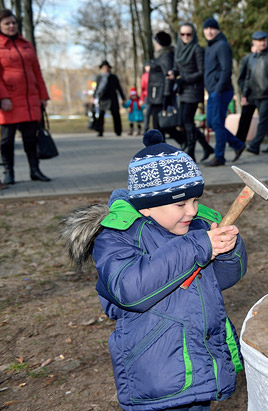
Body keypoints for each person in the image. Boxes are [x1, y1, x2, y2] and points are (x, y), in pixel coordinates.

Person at [63, 129, 246, 411]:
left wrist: (227, 251)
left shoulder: (195, 227)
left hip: (199, 361)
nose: (193, 211)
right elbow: (131, 290)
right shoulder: (117, 237)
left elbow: (221, 279)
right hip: (156, 372)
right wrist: (196, 247)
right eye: (181, 204)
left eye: (196, 200)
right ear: (147, 207)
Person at [0, 9, 51, 184]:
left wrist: (43, 96)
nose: (11, 26)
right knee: (7, 140)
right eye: (7, 23)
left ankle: (35, 171)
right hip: (9, 102)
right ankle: (9, 173)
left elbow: (37, 72)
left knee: (31, 138)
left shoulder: (26, 44)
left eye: (13, 22)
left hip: (31, 101)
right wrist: (3, 97)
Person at [202, 18, 246, 166]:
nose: (209, 31)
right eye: (206, 28)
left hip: (221, 91)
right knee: (211, 122)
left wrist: (218, 90)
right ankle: (238, 145)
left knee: (217, 122)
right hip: (212, 91)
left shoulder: (222, 45)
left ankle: (219, 156)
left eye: (212, 28)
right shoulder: (209, 46)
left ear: (218, 30)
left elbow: (226, 69)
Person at [173, 22, 215, 162]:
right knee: (185, 121)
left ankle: (191, 152)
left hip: (194, 89)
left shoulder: (197, 49)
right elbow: (178, 68)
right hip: (183, 90)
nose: (185, 37)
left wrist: (184, 79)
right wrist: (173, 73)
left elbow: (201, 72)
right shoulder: (178, 49)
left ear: (193, 35)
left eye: (188, 34)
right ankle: (206, 147)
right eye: (183, 34)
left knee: (187, 121)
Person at [240, 30, 268, 154]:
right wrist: (245, 94)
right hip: (254, 94)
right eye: (259, 41)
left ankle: (254, 145)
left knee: (263, 120)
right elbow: (248, 77)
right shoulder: (251, 58)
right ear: (254, 42)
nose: (262, 43)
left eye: (264, 40)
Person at [148, 31, 186, 146]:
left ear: (159, 42)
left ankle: (182, 141)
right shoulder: (161, 55)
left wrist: (166, 96)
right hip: (157, 95)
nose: (154, 43)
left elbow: (168, 77)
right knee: (162, 125)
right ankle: (182, 141)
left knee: (162, 125)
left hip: (161, 96)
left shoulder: (165, 56)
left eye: (155, 41)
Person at [93, 60, 125, 137]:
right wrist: (93, 96)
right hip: (103, 98)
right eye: (104, 68)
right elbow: (97, 88)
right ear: (101, 69)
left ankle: (118, 131)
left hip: (112, 99)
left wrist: (123, 98)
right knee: (101, 115)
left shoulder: (113, 77)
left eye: (107, 68)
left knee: (116, 115)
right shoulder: (99, 77)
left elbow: (119, 88)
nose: (106, 69)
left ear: (109, 68)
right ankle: (100, 131)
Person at [235, 43, 259, 142]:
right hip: (249, 94)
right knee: (245, 118)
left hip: (261, 94)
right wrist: (244, 94)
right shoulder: (248, 59)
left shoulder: (262, 59)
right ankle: (239, 140)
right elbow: (242, 78)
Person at [140, 64, 151, 132]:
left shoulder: (155, 74)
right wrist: (141, 99)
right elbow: (143, 88)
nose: (148, 67)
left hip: (156, 97)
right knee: (147, 113)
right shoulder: (144, 76)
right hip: (147, 96)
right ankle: (145, 128)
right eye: (146, 66)